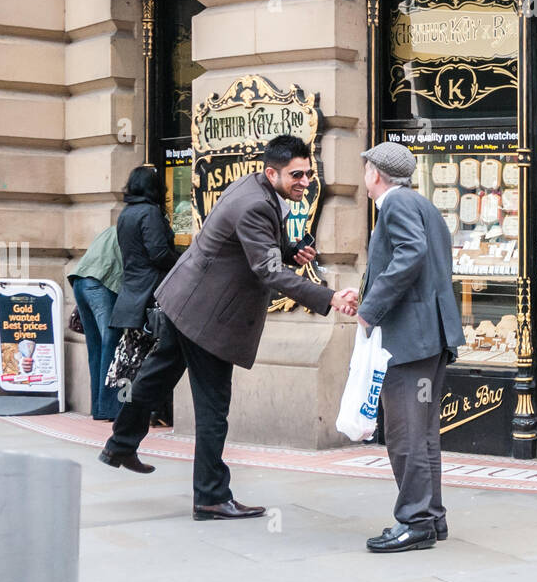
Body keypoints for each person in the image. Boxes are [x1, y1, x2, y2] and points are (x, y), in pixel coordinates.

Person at [99, 135, 358, 519]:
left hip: (184, 299)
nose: (304, 181)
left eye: (308, 173)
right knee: (213, 407)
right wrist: (328, 297)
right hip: (205, 314)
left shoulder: (253, 188)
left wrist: (287, 250)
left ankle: (120, 444)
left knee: (155, 377)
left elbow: (249, 245)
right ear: (272, 172)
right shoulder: (257, 204)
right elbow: (266, 269)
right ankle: (210, 496)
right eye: (296, 174)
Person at [355, 141, 463, 554]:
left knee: (404, 435)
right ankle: (431, 517)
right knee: (423, 433)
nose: (364, 177)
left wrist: (370, 308)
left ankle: (415, 521)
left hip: (410, 339)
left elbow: (410, 255)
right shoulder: (423, 204)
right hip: (430, 336)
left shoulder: (395, 204)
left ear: (376, 173)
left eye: (365, 169)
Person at [112, 166, 178, 427]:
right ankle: (153, 412)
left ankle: (126, 412)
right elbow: (159, 254)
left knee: (130, 361)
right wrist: (185, 262)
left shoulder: (126, 213)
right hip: (151, 295)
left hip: (131, 294)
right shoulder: (149, 212)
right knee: (156, 359)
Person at [70, 224, 124, 421]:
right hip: (101, 283)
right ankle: (110, 408)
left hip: (80, 280)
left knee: (96, 347)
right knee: (112, 344)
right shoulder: (143, 225)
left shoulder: (114, 227)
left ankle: (98, 408)